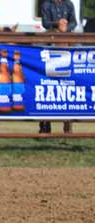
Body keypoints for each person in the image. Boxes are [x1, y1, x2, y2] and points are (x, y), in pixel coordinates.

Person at [40, 0, 77, 134]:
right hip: (51, 35)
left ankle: (68, 123)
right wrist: (57, 24)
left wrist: (66, 27)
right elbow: (44, 23)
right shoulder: (46, 4)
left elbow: (74, 21)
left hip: (66, 33)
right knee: (39, 54)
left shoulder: (69, 4)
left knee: (79, 51)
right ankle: (44, 123)